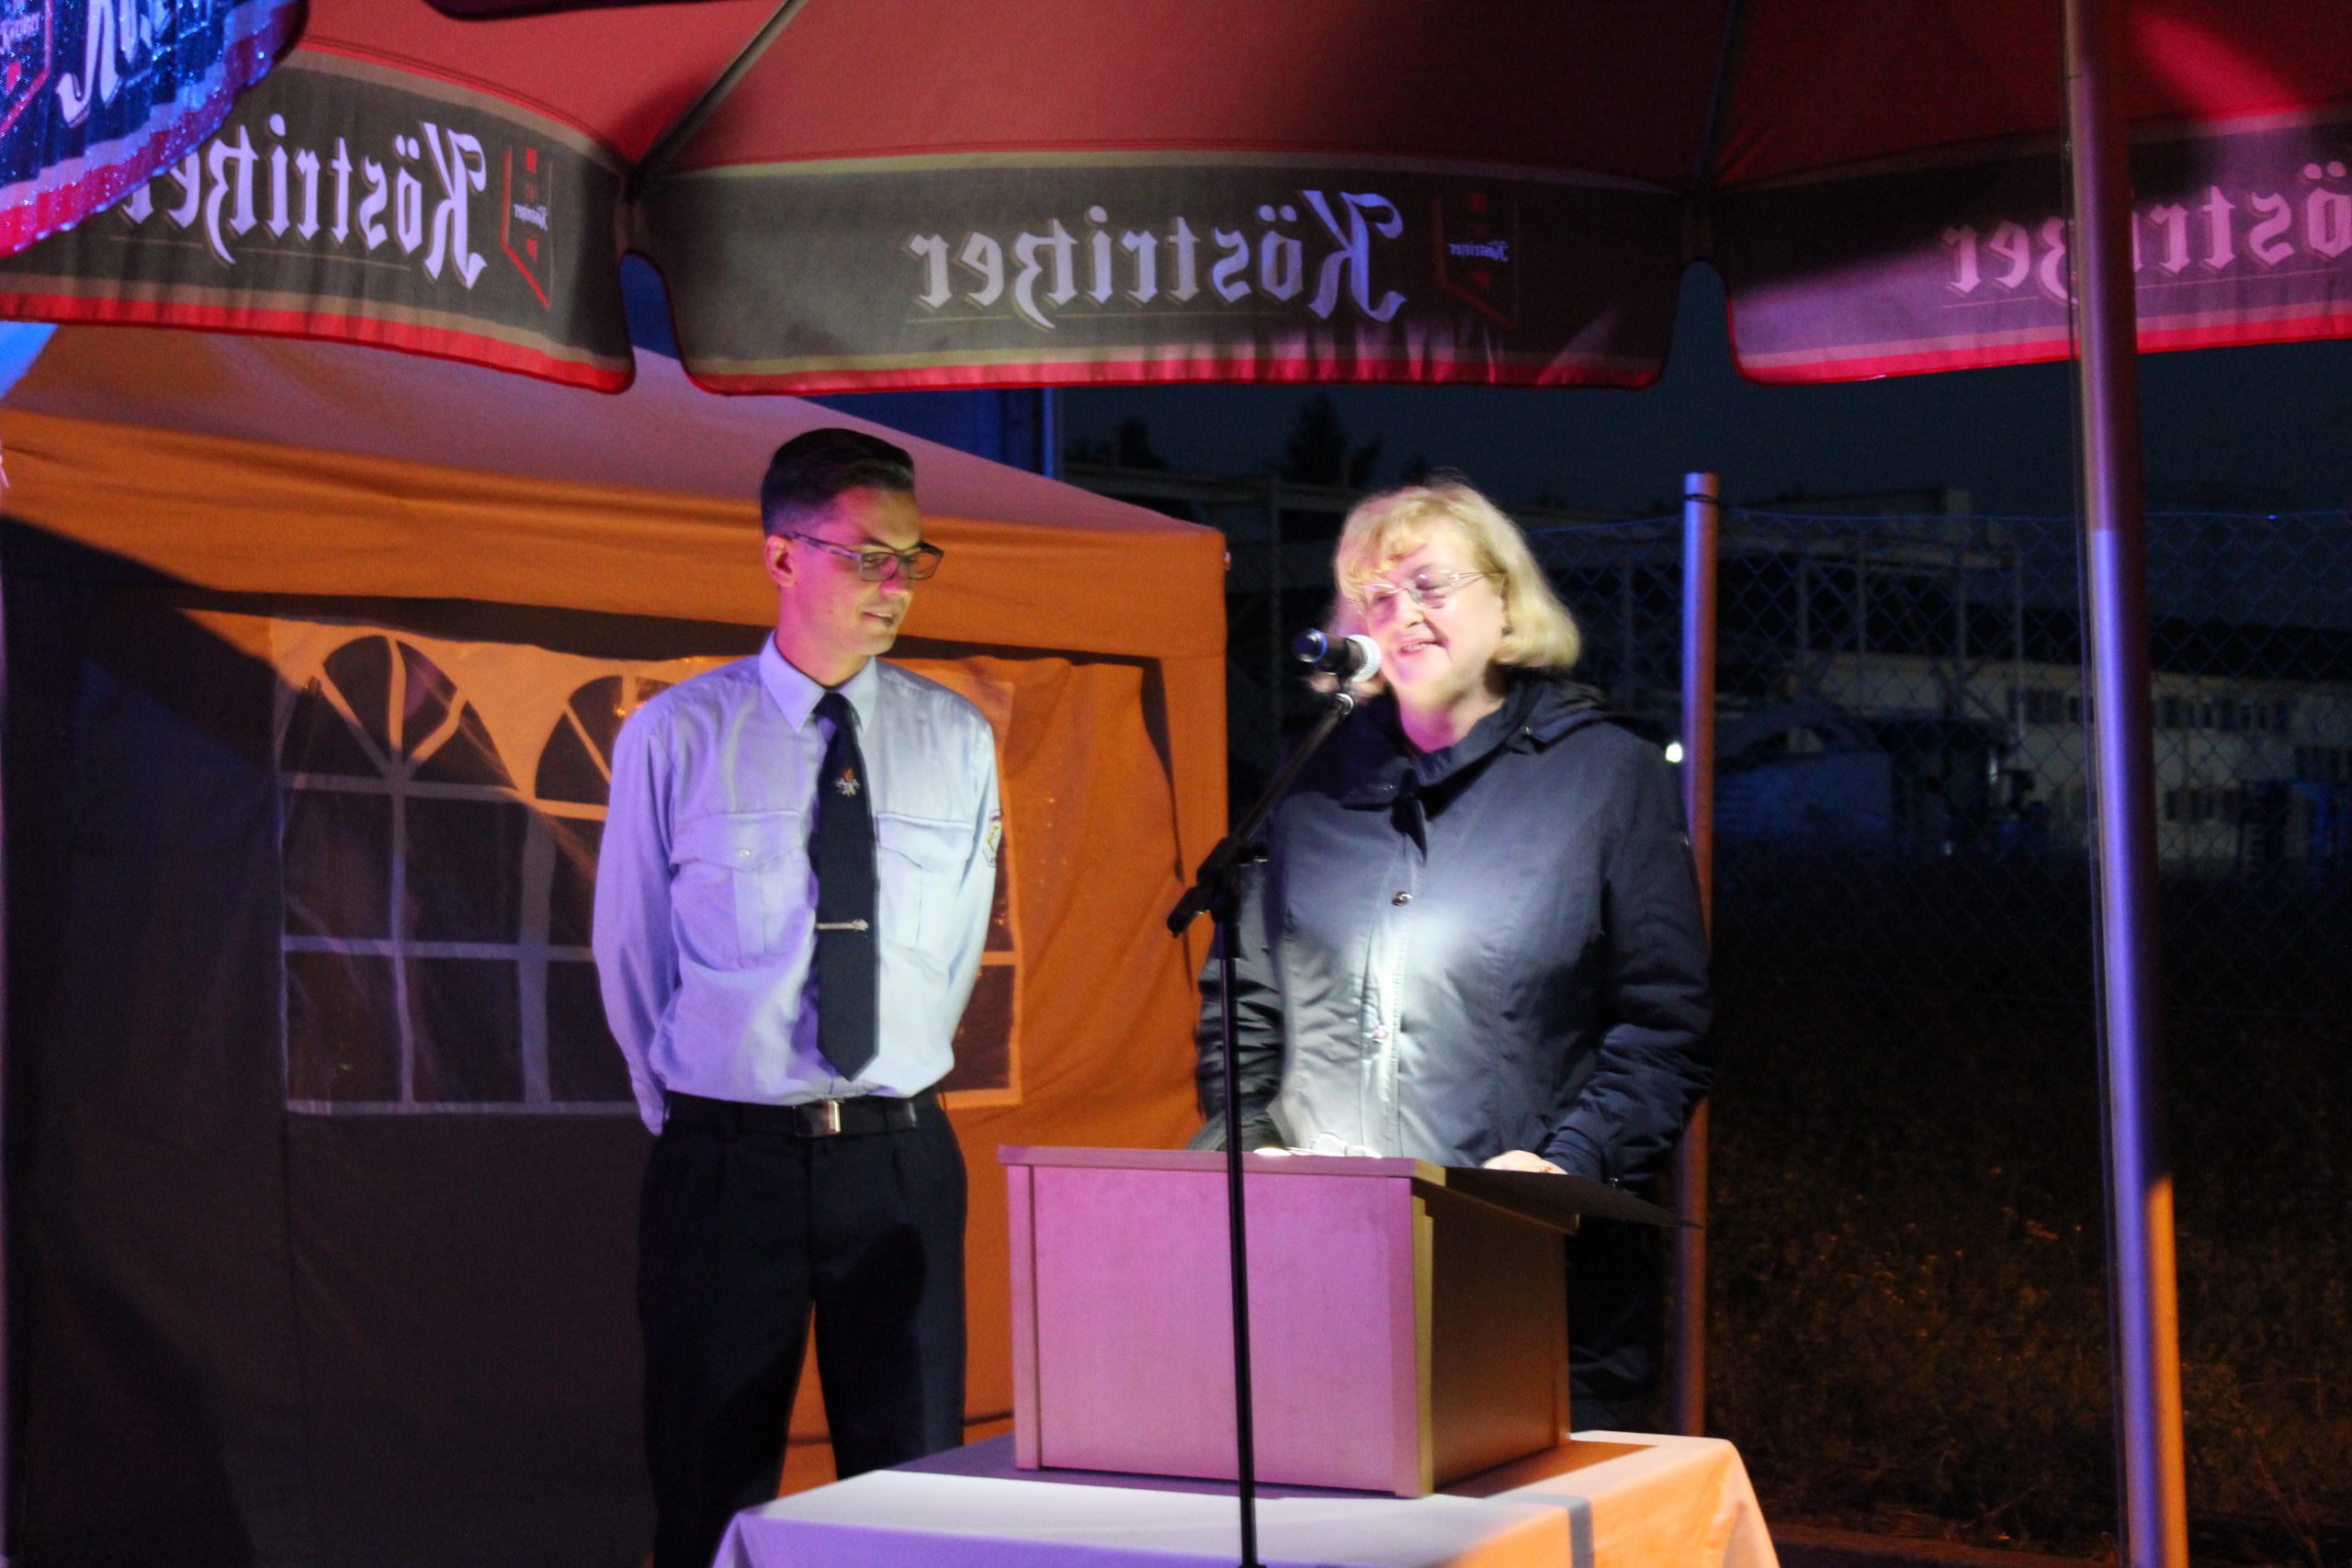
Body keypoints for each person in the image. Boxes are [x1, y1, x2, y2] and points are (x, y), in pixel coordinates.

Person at [1195, 479, 1713, 1430]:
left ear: (1506, 603)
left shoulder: (1605, 780)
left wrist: (1563, 1167)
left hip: (1529, 1269)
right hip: (1322, 1270)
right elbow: (1242, 1008)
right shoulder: (1304, 786)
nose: (1402, 613)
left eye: (1431, 585)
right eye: (1375, 595)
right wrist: (1250, 1148)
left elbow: (1664, 1025)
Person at [594, 428, 1001, 1568]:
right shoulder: (678, 735)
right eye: (866, 555)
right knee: (708, 1484)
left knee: (912, 1491)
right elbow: (632, 950)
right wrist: (700, 1112)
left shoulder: (953, 738)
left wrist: (885, 1086)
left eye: (911, 559)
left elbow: (956, 946)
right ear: (781, 557)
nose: (894, 584)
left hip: (897, 1156)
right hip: (729, 1162)